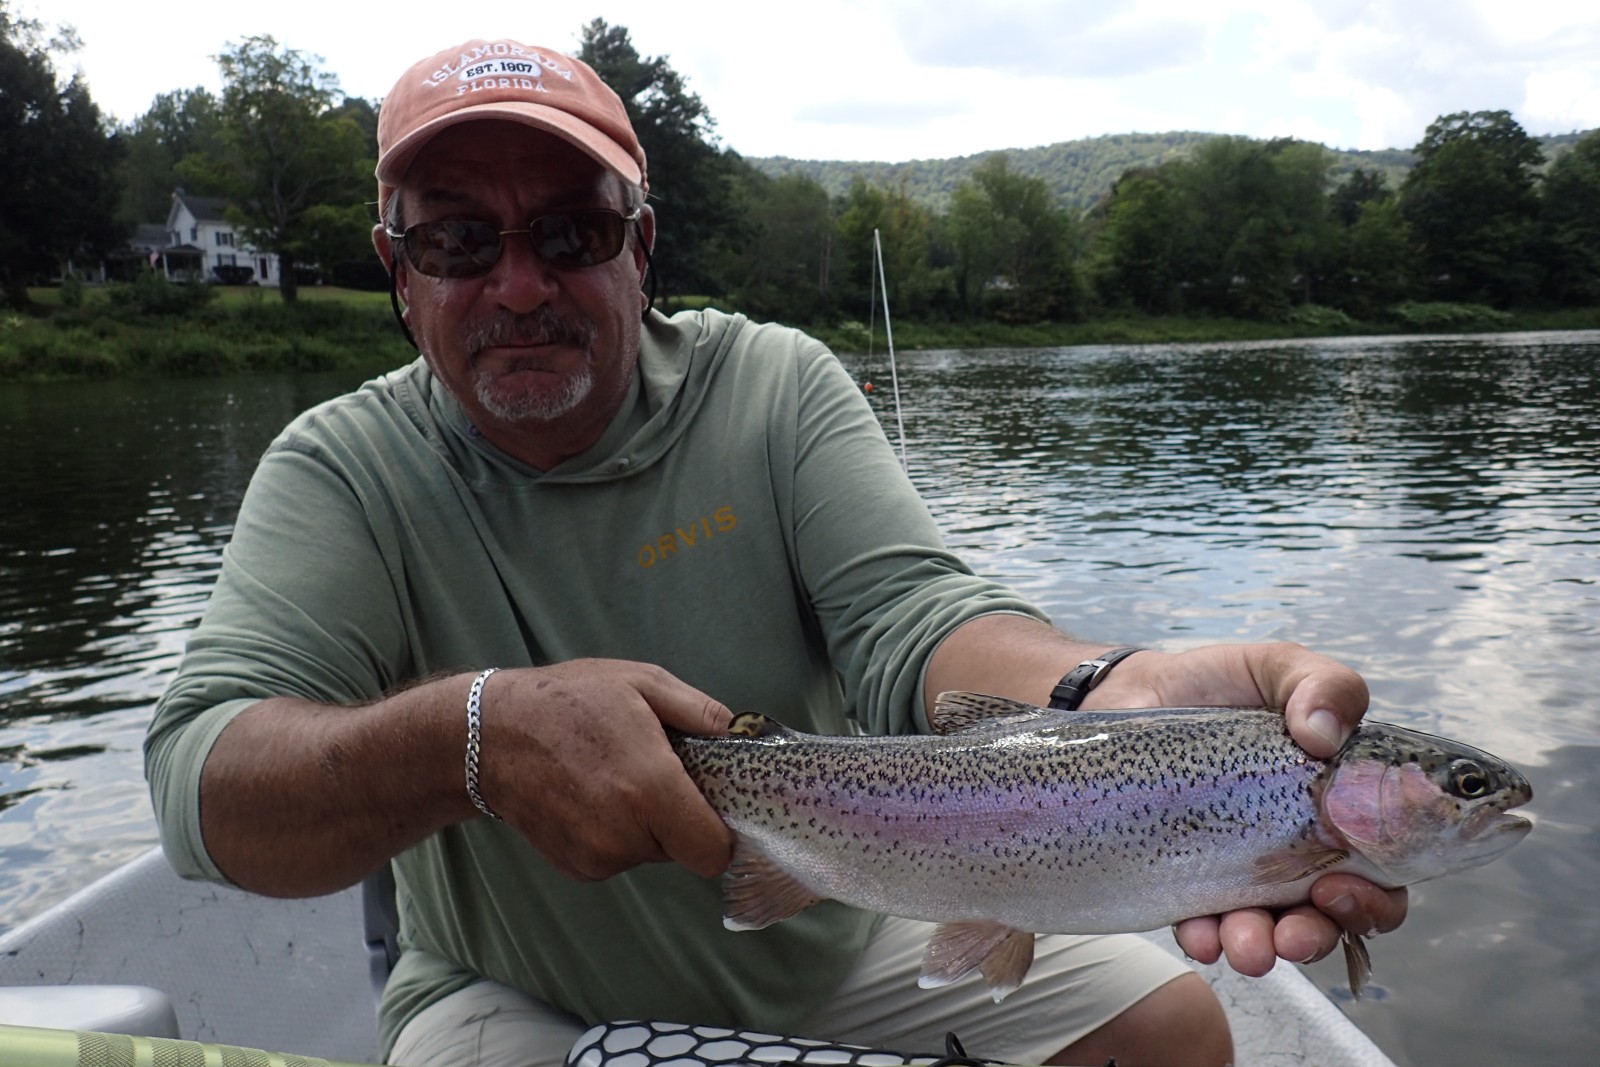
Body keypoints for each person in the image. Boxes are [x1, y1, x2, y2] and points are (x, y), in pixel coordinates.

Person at [144, 37, 1405, 1067]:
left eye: (571, 234)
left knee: (1175, 1029)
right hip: (517, 994)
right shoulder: (341, 468)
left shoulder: (772, 387)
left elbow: (911, 616)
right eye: (459, 242)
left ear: (639, 249)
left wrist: (1101, 694)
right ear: (399, 274)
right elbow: (203, 785)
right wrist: (473, 735)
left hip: (837, 922)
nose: (518, 283)